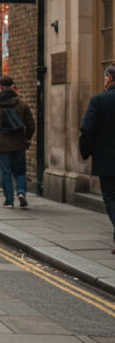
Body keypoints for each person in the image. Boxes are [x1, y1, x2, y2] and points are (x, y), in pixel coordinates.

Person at [79, 64, 115, 253]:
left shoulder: (99, 101)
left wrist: (86, 151)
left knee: (110, 197)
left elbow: (87, 130)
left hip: (108, 161)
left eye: (104, 78)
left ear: (109, 78)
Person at [0, 75, 35, 208]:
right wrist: (27, 137)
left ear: (0, 87)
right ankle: (21, 192)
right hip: (19, 142)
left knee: (6, 171)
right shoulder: (21, 103)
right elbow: (30, 123)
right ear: (12, 86)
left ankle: (9, 200)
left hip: (2, 143)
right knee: (20, 171)